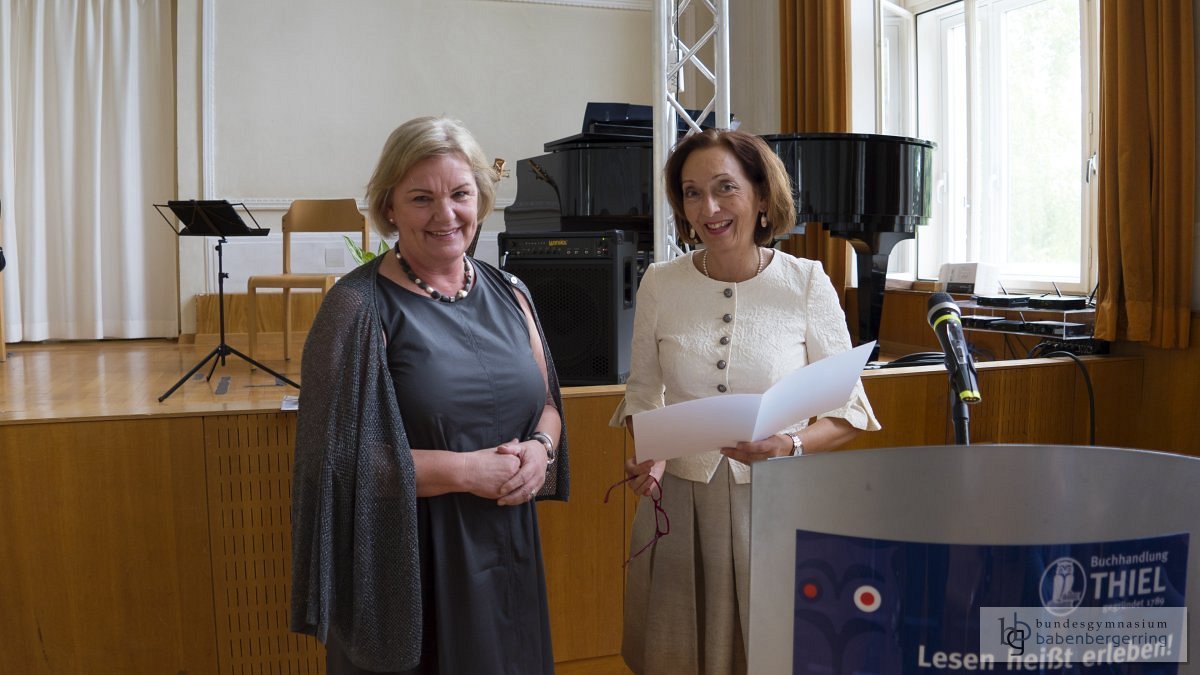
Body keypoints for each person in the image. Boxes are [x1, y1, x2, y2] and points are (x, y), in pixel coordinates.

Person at [290, 116, 569, 674]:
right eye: (422, 198)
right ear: (390, 207)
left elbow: (547, 405)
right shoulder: (356, 308)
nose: (446, 215)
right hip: (408, 562)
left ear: (480, 199)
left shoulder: (512, 292)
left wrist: (541, 450)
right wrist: (469, 471)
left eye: (460, 194)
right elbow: (336, 464)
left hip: (507, 551)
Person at [610, 128, 880, 675]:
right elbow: (642, 393)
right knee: (677, 654)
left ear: (761, 195)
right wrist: (651, 455)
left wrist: (790, 445)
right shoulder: (660, 283)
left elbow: (850, 411)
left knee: (777, 652)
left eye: (725, 187)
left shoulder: (806, 282)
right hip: (680, 505)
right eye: (692, 193)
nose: (708, 208)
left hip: (779, 504)